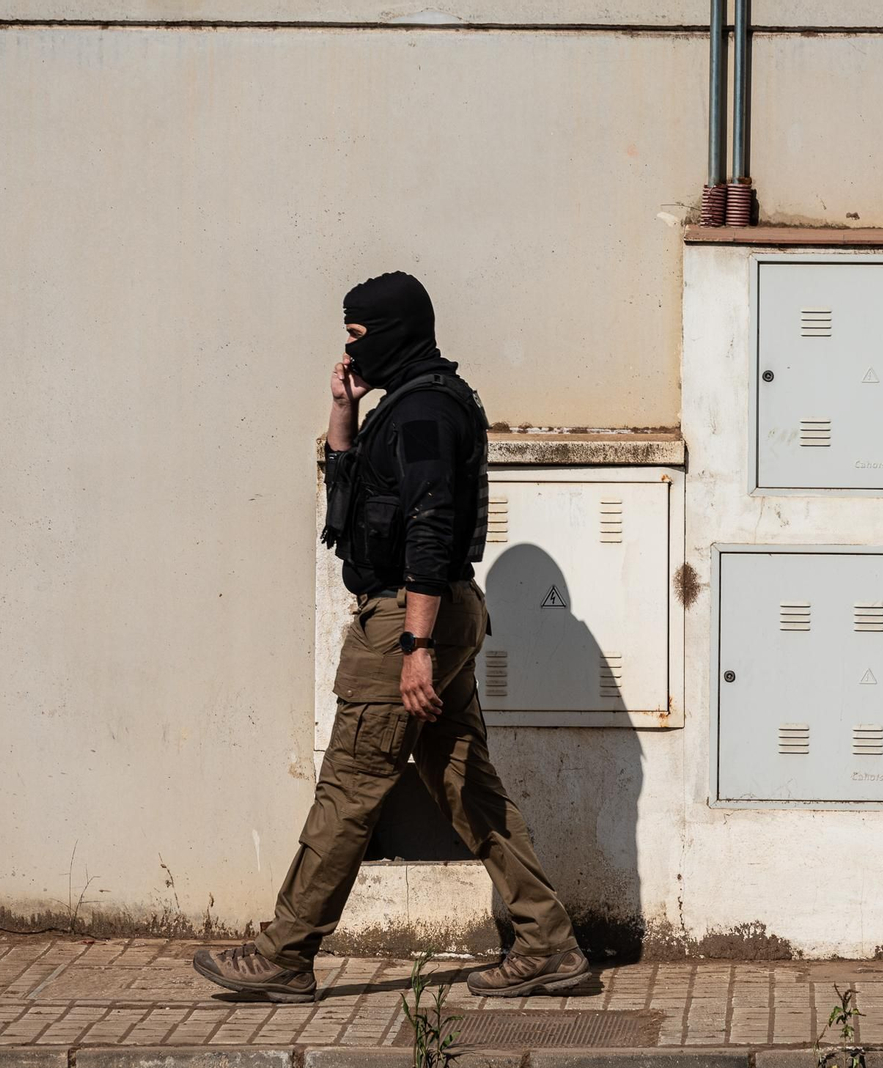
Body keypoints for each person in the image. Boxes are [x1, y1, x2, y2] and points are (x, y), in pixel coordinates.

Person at [193, 271, 588, 1002]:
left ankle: (284, 954)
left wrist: (414, 648)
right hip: (433, 617)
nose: (349, 351)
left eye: (356, 336)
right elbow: (354, 507)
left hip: (408, 619)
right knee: (466, 785)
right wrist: (344, 413)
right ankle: (548, 944)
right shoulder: (408, 404)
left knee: (350, 787)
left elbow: (432, 530)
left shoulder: (425, 412)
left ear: (393, 331)